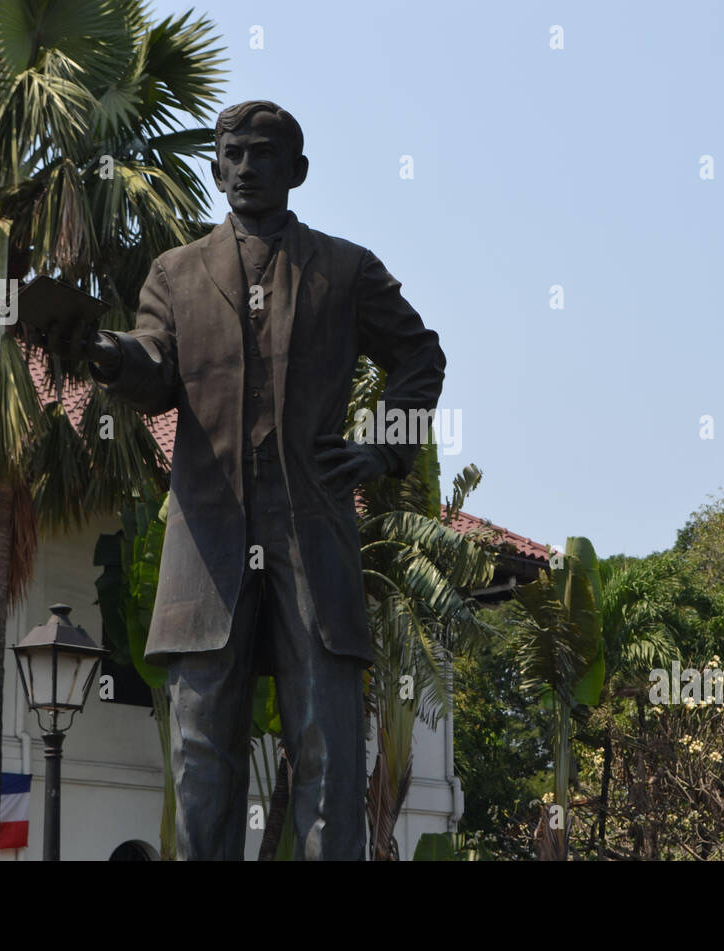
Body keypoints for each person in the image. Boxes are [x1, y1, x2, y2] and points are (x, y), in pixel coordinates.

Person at [49, 100, 446, 859]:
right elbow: (150, 365)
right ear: (213, 167)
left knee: (328, 751)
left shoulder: (345, 268)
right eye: (232, 153)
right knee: (202, 757)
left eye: (264, 154)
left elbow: (421, 357)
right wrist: (99, 352)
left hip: (313, 537)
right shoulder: (176, 273)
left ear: (297, 171)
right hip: (208, 540)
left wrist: (380, 448)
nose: (247, 168)